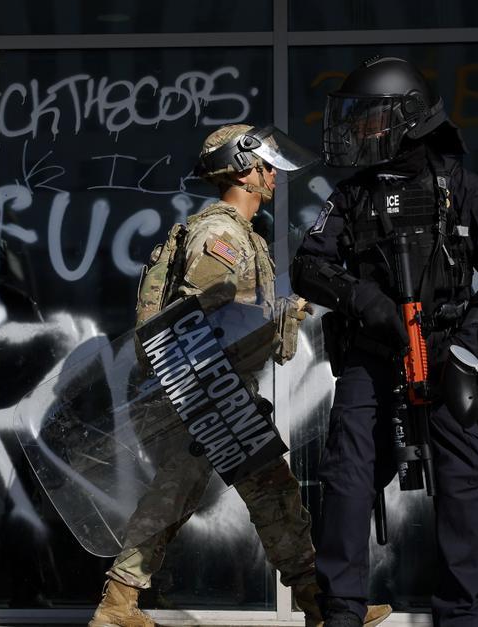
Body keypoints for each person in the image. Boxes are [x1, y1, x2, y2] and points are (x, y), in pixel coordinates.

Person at [89, 124, 391, 627]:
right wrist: (275, 318)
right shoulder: (221, 234)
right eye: (266, 167)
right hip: (207, 391)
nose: (273, 175)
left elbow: (232, 313)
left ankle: (317, 601)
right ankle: (118, 602)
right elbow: (199, 321)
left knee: (265, 489)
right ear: (245, 171)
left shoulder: (240, 231)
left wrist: (281, 310)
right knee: (184, 492)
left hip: (220, 392)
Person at [291, 56, 478, 627]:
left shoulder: (462, 188)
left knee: (465, 483)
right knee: (348, 472)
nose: (360, 131)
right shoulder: (352, 196)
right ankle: (343, 610)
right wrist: (365, 302)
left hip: (448, 351)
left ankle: (460, 615)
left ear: (408, 121)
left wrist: (470, 345)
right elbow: (308, 266)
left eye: (371, 120)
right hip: (374, 352)